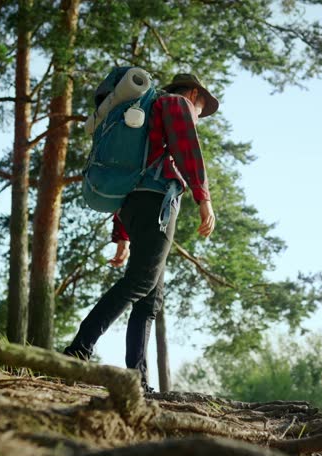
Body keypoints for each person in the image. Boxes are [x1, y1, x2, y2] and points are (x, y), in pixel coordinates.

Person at [63, 73, 219, 392]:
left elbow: (131, 172)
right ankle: (77, 352)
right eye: (203, 106)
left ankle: (138, 380)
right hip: (157, 200)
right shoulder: (177, 104)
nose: (201, 113)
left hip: (135, 204)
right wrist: (204, 197)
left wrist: (120, 235)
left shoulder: (150, 111)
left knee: (150, 299)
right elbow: (186, 147)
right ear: (194, 93)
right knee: (141, 283)